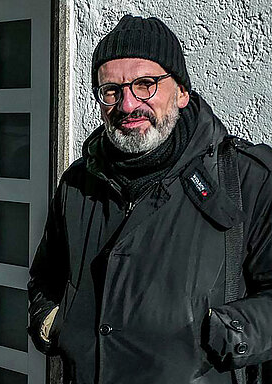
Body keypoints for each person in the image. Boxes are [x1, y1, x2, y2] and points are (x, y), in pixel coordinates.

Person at [28, 15, 272, 384]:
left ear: (182, 92)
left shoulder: (247, 179)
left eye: (146, 84)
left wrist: (225, 334)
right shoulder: (79, 183)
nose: (127, 105)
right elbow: (46, 278)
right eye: (111, 90)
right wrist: (53, 323)